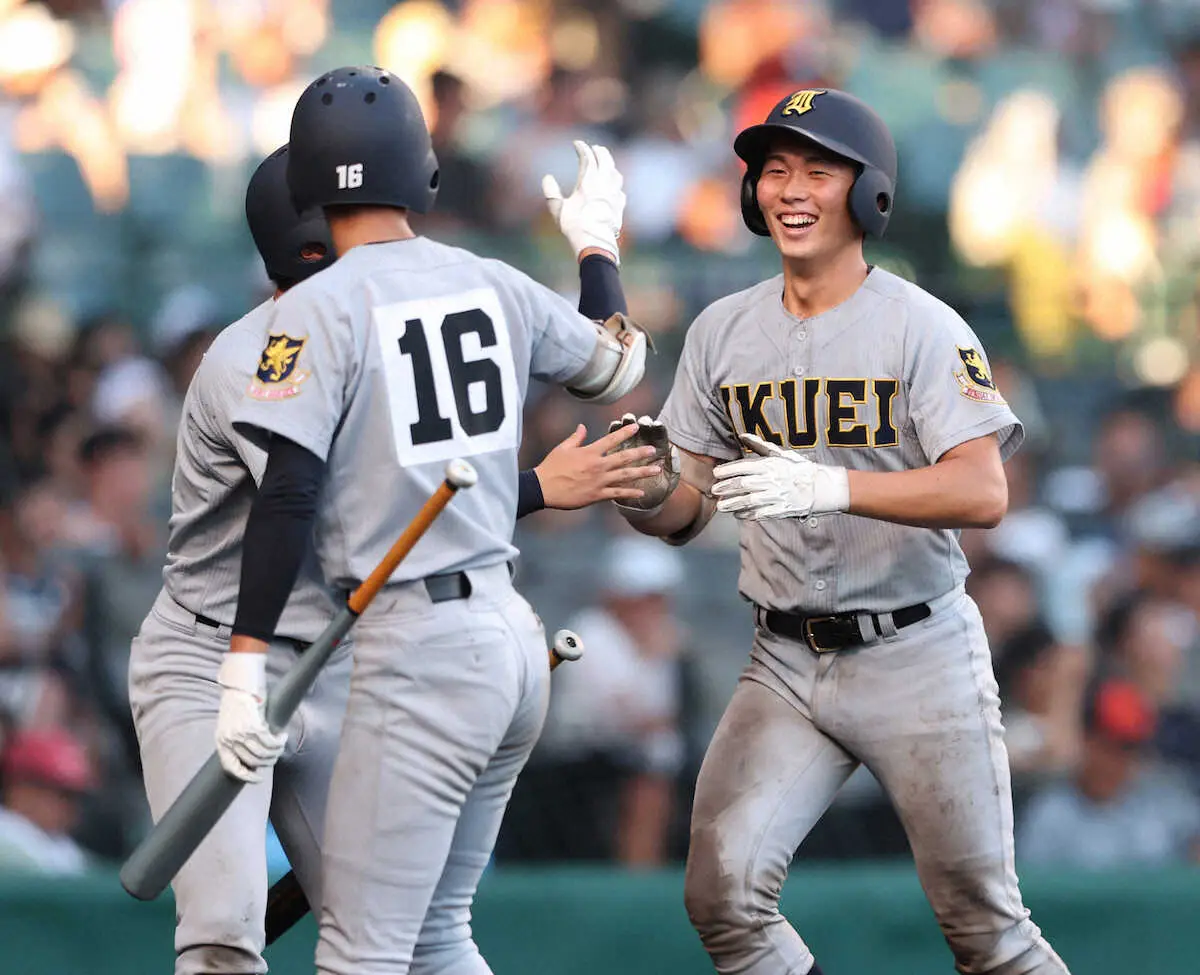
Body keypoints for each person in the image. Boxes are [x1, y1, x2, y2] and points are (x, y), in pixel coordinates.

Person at [130, 142, 652, 975]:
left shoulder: (373, 313)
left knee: (412, 938)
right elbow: (333, 502)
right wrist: (534, 490)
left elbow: (388, 497)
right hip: (214, 656)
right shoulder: (249, 357)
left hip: (343, 653)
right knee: (227, 934)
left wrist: (531, 486)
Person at [609, 88, 1071, 974]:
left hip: (916, 648)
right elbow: (690, 508)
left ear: (868, 195)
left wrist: (830, 485)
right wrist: (646, 485)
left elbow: (984, 491)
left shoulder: (921, 324)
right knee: (723, 895)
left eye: (818, 169)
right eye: (774, 168)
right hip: (784, 657)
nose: (790, 187)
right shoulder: (720, 331)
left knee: (988, 930)